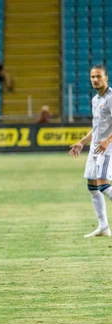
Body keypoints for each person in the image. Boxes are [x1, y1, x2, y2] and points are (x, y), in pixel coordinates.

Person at [69, 65, 112, 238]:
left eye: (98, 76)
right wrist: (81, 142)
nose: (95, 79)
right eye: (92, 77)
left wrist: (107, 140)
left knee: (103, 185)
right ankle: (103, 227)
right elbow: (96, 128)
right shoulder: (96, 99)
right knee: (92, 186)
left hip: (107, 148)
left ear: (106, 77)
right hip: (95, 148)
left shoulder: (110, 98)